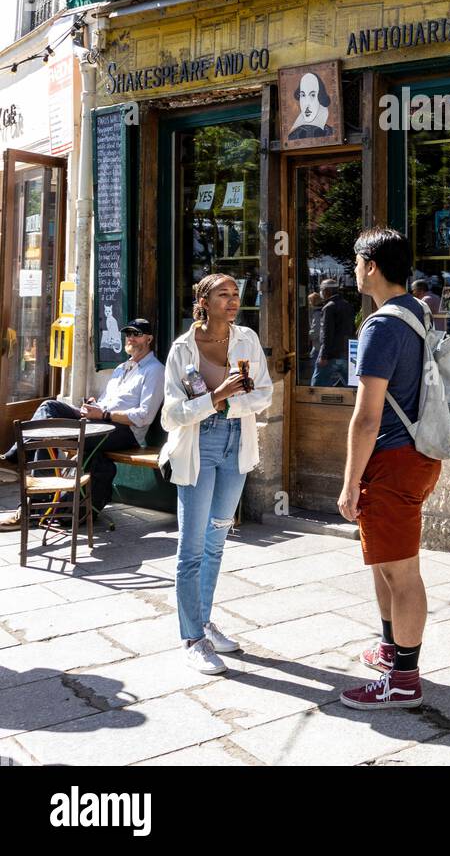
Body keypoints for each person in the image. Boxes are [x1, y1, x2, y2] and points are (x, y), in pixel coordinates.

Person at [337, 227, 441, 711]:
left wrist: (349, 481)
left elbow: (367, 415)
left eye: (356, 261)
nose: (353, 270)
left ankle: (404, 679)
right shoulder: (418, 311)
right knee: (384, 562)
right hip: (417, 455)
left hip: (392, 460)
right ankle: (389, 649)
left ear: (371, 265)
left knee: (402, 574)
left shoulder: (381, 325)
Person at [161, 273, 272, 674]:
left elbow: (264, 394)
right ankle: (192, 638)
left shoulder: (247, 340)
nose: (232, 300)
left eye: (235, 294)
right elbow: (172, 414)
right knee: (190, 549)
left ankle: (204, 621)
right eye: (222, 294)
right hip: (197, 446)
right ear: (203, 301)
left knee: (216, 542)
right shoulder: (182, 350)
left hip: (234, 444)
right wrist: (217, 397)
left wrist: (229, 406)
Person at [0, 318, 164, 530]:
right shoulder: (121, 368)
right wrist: (91, 407)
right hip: (98, 421)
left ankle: (29, 499)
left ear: (149, 338)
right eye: (128, 334)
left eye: (137, 334)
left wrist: (103, 413)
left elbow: (144, 416)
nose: (131, 338)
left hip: (125, 432)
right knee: (50, 408)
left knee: (47, 436)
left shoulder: (155, 370)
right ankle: (16, 460)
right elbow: (105, 402)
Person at [311, 280, 354, 386]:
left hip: (331, 355)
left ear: (327, 291)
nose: (321, 293)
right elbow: (351, 329)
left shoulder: (328, 307)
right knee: (352, 388)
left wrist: (323, 356)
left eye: (322, 290)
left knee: (316, 388)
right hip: (345, 353)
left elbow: (326, 333)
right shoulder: (348, 305)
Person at [289, 71, 333, 138]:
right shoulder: (292, 137)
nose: (307, 104)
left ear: (320, 97)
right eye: (303, 95)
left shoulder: (330, 133)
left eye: (312, 95)